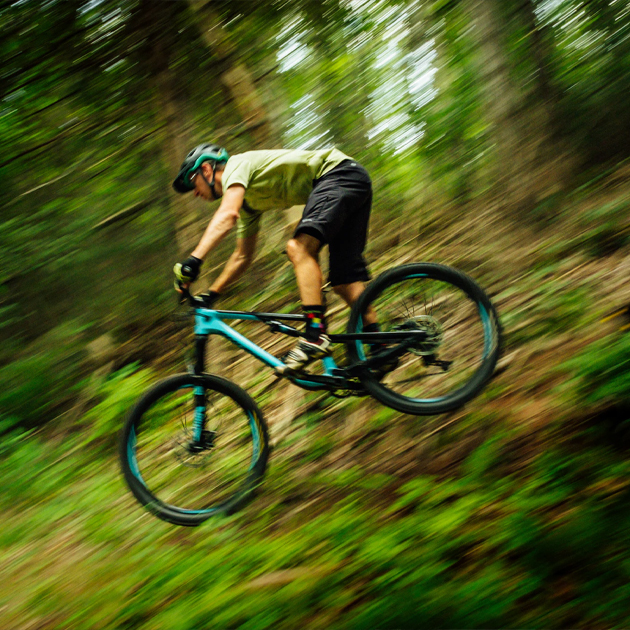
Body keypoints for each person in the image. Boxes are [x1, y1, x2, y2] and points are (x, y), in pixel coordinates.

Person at [172, 143, 378, 373]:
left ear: (207, 170)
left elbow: (227, 215)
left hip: (337, 174)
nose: (196, 193)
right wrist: (211, 294)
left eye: (193, 183)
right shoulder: (249, 204)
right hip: (352, 180)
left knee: (298, 248)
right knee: (343, 282)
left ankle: (315, 335)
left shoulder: (236, 165)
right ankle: (381, 348)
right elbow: (242, 256)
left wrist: (194, 260)